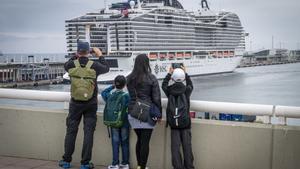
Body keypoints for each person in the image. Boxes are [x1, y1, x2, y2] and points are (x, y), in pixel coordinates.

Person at [59, 41, 110, 169]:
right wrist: (99, 54)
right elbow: (107, 68)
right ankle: (85, 163)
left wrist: (76, 56)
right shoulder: (95, 66)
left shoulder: (71, 65)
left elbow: (66, 64)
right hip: (91, 104)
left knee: (71, 132)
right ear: (88, 52)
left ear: (78, 52)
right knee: (88, 133)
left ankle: (66, 161)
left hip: (75, 104)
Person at [126, 54, 162, 169]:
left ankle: (139, 166)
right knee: (145, 142)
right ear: (147, 63)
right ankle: (142, 167)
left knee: (139, 140)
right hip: (147, 113)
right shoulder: (151, 78)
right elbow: (156, 98)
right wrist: (159, 114)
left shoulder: (129, 78)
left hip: (133, 112)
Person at [162, 66, 195, 169]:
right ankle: (189, 166)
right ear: (183, 78)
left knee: (175, 149)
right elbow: (191, 85)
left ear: (173, 78)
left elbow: (163, 85)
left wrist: (169, 74)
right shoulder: (186, 90)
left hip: (174, 125)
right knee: (187, 147)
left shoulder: (169, 90)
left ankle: (177, 167)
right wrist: (186, 73)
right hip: (185, 124)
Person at [101, 75, 130, 169]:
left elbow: (103, 92)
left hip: (114, 122)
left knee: (115, 142)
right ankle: (125, 163)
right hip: (125, 122)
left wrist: (112, 86)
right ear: (124, 85)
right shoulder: (126, 96)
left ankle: (115, 164)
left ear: (115, 83)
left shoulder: (110, 96)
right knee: (125, 142)